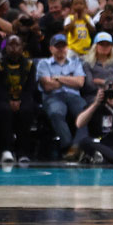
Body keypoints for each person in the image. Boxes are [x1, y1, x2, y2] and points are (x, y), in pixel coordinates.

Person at [38, 33, 89, 161]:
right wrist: (71, 79)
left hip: (73, 96)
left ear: (67, 47)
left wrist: (58, 78)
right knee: (56, 113)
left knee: (86, 112)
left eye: (63, 46)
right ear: (51, 48)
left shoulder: (76, 62)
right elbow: (48, 86)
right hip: (53, 96)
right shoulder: (44, 63)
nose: (60, 49)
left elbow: (80, 83)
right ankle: (68, 147)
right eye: (57, 46)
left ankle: (77, 146)